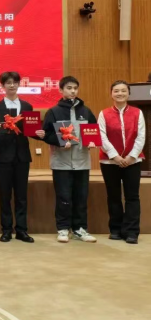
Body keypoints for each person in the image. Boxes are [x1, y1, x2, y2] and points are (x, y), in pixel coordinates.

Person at [0, 71, 45, 243]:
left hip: (22, 156)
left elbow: (30, 130)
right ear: (2, 86)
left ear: (19, 84)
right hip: (3, 156)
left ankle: (21, 230)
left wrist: (39, 134)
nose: (12, 85)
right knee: (4, 195)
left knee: (21, 195)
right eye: (8, 83)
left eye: (15, 82)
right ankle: (6, 230)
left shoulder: (27, 106)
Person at [42, 76, 98, 243]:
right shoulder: (54, 111)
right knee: (64, 197)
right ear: (61, 90)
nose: (73, 91)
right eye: (69, 88)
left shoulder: (86, 111)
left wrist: (93, 141)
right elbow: (46, 134)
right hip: (61, 162)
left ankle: (80, 229)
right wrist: (59, 142)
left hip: (82, 162)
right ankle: (63, 228)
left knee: (81, 197)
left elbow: (93, 131)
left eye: (75, 88)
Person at [98, 80, 145, 244]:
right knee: (114, 196)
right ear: (111, 94)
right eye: (116, 91)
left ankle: (131, 231)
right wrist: (115, 157)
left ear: (129, 93)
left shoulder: (138, 113)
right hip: (110, 162)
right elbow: (102, 137)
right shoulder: (103, 114)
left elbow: (141, 136)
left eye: (123, 91)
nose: (120, 94)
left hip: (133, 161)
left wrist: (131, 157)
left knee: (132, 197)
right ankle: (116, 229)